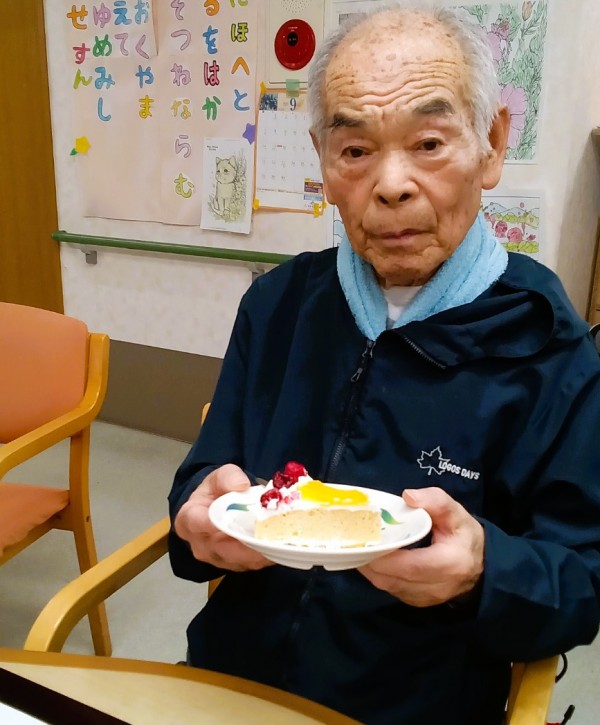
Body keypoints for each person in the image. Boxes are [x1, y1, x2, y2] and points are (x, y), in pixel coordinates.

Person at [168, 4, 600, 724]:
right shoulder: (277, 305)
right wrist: (195, 518)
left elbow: (582, 580)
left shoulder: (548, 345)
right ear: (323, 160)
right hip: (230, 686)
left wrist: (484, 569)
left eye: (428, 142)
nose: (392, 184)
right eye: (355, 150)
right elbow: (203, 481)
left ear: (492, 144)